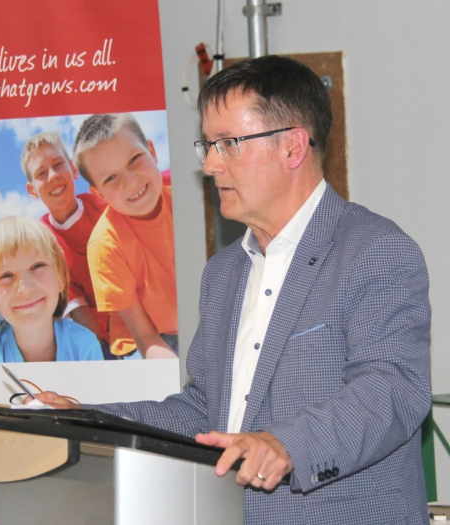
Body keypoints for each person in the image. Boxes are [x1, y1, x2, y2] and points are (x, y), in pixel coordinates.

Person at [34, 56, 432, 524]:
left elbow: (392, 390)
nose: (209, 164)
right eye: (208, 145)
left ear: (293, 147)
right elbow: (205, 411)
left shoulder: (376, 251)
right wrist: (87, 418)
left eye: (227, 144)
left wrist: (286, 444)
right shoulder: (223, 273)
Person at [74, 113, 178, 359]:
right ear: (99, 194)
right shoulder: (105, 245)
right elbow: (144, 335)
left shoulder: (189, 199)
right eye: (110, 178)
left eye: (134, 159)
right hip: (149, 340)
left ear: (152, 151)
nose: (130, 182)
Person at [21, 131, 118, 360]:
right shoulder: (44, 241)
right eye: (41, 173)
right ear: (32, 190)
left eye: (58, 165)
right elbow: (79, 311)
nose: (53, 176)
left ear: (73, 169)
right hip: (101, 339)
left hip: (140, 318)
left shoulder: (104, 204)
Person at [0, 215, 104, 363]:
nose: (25, 288)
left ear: (60, 277)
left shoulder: (85, 346)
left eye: (37, 266)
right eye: (6, 275)